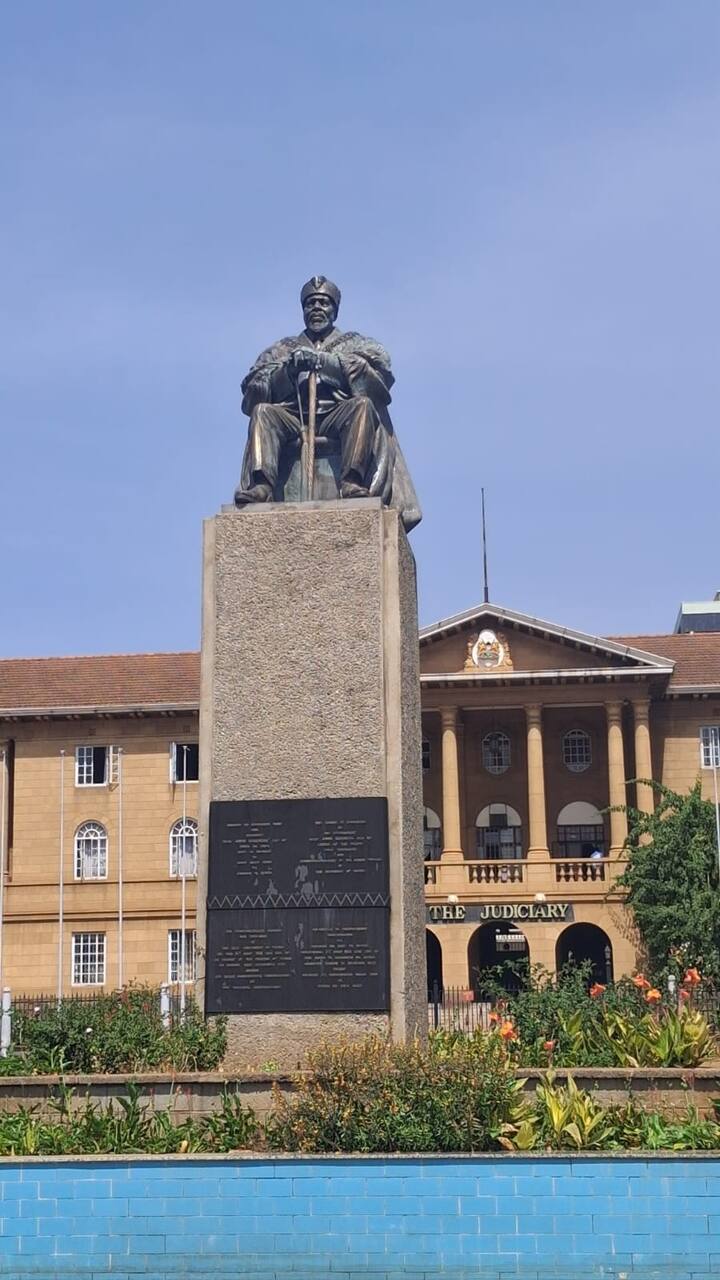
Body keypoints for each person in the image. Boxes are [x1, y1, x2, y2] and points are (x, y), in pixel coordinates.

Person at [234, 276, 421, 531]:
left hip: (337, 414)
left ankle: (352, 481)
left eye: (323, 303)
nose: (316, 308)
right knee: (263, 412)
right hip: (294, 418)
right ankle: (261, 486)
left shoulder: (356, 343)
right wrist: (288, 371)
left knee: (363, 406)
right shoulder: (282, 349)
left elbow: (379, 377)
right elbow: (254, 389)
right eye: (310, 303)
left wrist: (325, 363)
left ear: (334, 309)